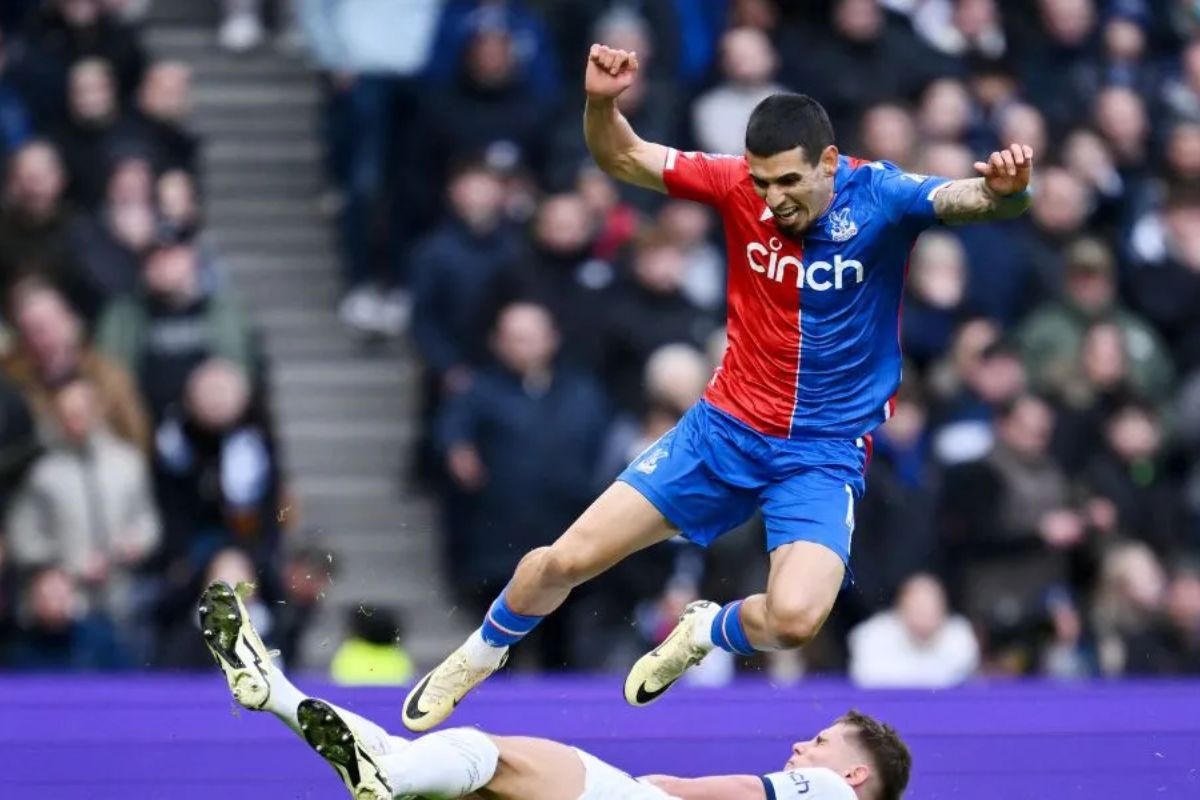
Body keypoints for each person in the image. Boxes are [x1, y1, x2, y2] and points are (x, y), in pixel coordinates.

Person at [402, 42, 1036, 733]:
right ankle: (474, 657)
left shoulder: (882, 195)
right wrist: (601, 102)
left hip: (821, 454)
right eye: (763, 183)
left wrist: (1008, 190)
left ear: (829, 163)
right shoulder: (737, 186)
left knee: (794, 621)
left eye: (789, 182)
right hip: (723, 430)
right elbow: (621, 157)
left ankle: (707, 632)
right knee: (564, 560)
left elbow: (967, 199)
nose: (774, 200)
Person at [199, 580, 911, 800]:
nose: (800, 744)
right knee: (456, 780)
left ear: (853, 773)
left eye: (818, 742)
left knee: (486, 754)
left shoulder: (837, 796)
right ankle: (276, 692)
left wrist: (663, 787)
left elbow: (723, 793)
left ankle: (380, 766)